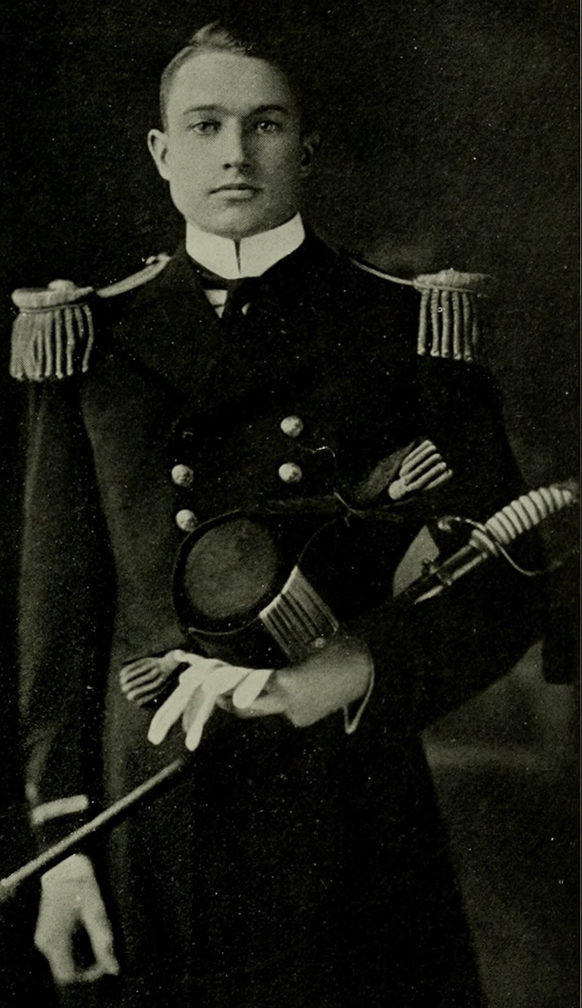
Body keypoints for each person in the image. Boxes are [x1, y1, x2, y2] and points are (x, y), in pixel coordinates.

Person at [13, 19, 546, 1007]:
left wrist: (356, 665)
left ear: (308, 146)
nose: (235, 152)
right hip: (149, 819)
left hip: (347, 811)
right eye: (206, 125)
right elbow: (57, 620)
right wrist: (61, 845)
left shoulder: (405, 327)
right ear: (163, 154)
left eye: (266, 123)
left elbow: (512, 581)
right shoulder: (91, 335)